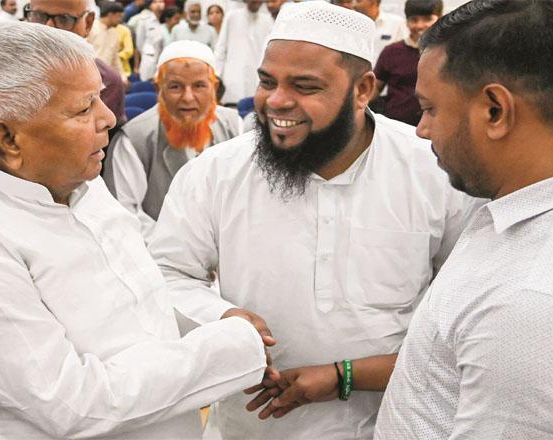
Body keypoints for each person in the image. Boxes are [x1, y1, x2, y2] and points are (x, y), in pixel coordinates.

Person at [0, 21, 268, 438]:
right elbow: (70, 404)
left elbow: (138, 303)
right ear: (9, 140)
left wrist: (214, 317)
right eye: (83, 109)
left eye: (100, 98)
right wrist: (230, 346)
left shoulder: (80, 182)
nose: (107, 118)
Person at [148, 2, 480, 439]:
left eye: (305, 86)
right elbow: (165, 276)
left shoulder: (432, 170)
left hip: (390, 422)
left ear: (363, 90)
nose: (277, 101)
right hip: (252, 425)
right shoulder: (216, 173)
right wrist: (222, 317)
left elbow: (464, 311)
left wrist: (345, 375)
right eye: (267, 82)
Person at [375, 0, 553, 438]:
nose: (421, 129)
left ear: (494, 111)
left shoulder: (532, 302)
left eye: (430, 109)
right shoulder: (525, 208)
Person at [0, 0, 126, 212]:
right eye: (38, 16)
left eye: (64, 19)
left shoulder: (109, 82)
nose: (47, 27)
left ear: (88, 22)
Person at [105, 40, 241, 241]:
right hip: (160, 259)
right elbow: (124, 216)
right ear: (158, 87)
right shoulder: (134, 139)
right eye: (175, 86)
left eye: (199, 86)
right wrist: (182, 250)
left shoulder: (233, 125)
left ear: (215, 87)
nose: (188, 97)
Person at [372, 0, 442, 126]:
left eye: (427, 19)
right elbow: (375, 86)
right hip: (396, 126)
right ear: (407, 22)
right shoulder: (391, 51)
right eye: (414, 20)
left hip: (435, 127)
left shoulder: (448, 53)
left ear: (440, 18)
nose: (420, 26)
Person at [214, 0, 273, 104]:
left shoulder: (267, 21)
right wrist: (217, 76)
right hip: (233, 80)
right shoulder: (232, 17)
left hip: (256, 80)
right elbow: (221, 49)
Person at [88, 1, 132, 80]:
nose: (120, 20)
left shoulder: (114, 34)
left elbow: (115, 59)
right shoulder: (90, 28)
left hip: (107, 77)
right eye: (119, 16)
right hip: (90, 75)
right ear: (110, 15)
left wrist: (122, 77)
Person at [354, 0, 407, 66]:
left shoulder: (397, 23)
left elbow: (406, 52)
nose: (354, 3)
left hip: (389, 73)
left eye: (358, 0)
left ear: (374, 1)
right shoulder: (352, 25)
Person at [133, 0, 166, 80]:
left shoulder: (167, 18)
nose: (158, 4)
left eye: (161, 1)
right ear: (149, 5)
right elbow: (139, 43)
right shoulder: (144, 20)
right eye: (155, 2)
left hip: (163, 58)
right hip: (149, 58)